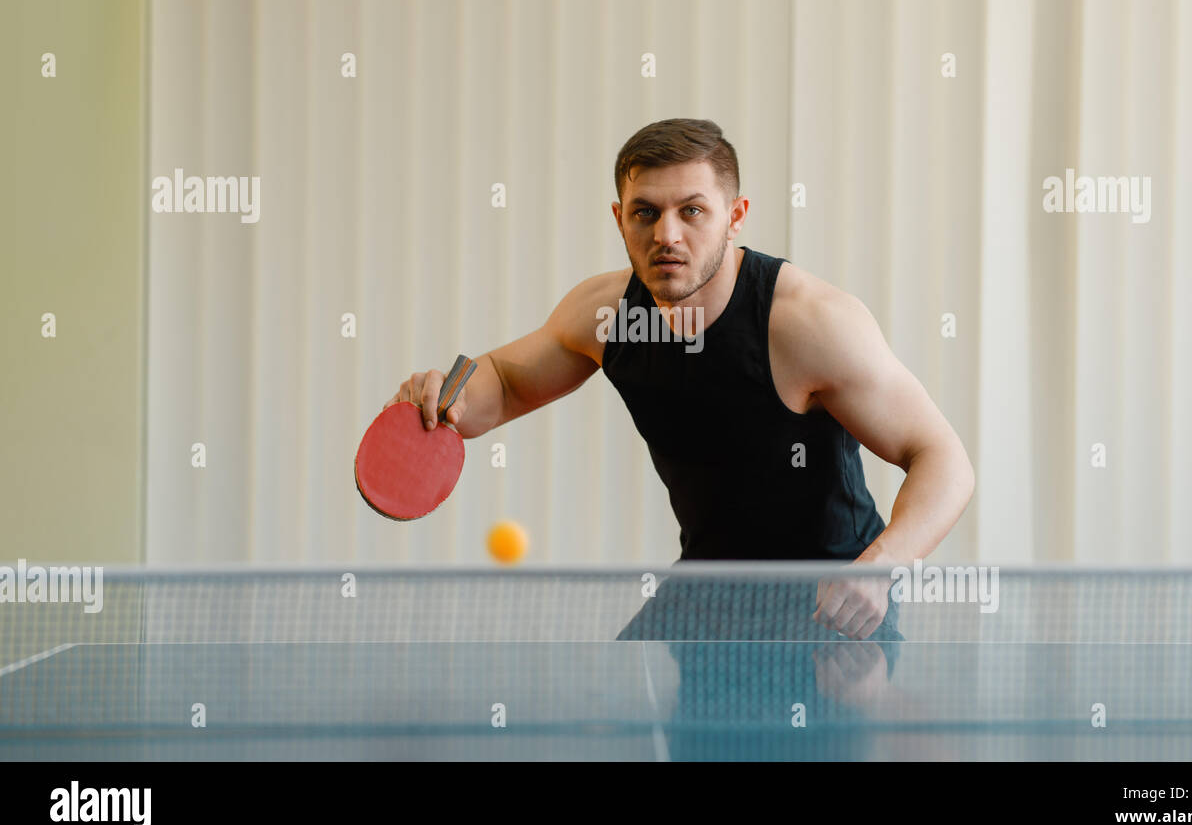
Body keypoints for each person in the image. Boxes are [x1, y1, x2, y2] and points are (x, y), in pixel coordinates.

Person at [386, 118, 974, 642]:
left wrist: (879, 570)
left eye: (692, 211)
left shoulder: (807, 324)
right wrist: (449, 394)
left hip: (833, 598)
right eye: (646, 212)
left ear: (734, 217)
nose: (667, 234)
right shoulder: (608, 316)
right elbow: (508, 382)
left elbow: (943, 458)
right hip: (705, 589)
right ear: (620, 218)